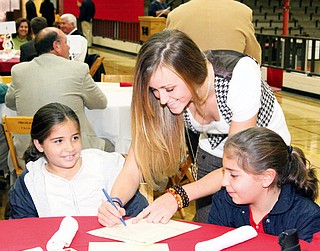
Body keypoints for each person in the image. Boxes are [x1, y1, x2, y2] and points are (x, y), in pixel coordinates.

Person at [97, 29, 291, 226]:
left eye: (170, 89)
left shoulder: (239, 74)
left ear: (191, 73)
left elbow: (237, 164)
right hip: (213, 150)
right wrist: (115, 201)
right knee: (209, 226)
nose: (163, 99)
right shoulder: (168, 94)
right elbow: (134, 165)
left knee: (260, 224)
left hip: (261, 153)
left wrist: (177, 195)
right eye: (155, 90)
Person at [9, 103, 148, 218]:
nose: (70, 147)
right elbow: (24, 228)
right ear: (39, 145)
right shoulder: (31, 182)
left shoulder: (105, 166)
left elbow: (138, 211)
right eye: (58, 141)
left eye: (75, 138)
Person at [5, 27, 113, 173]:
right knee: (111, 146)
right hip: (70, 154)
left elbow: (10, 103)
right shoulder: (78, 69)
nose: (69, 47)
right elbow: (100, 103)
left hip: (27, 153)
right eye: (66, 42)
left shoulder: (19, 71)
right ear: (56, 46)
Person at [208, 127, 320, 242]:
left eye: (233, 175)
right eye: (224, 172)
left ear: (267, 177)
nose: (223, 182)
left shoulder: (307, 217)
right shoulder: (223, 202)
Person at [166, 0, 261, 63]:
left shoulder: (175, 15)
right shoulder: (243, 11)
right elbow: (253, 57)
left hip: (189, 84)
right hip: (232, 85)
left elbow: (167, 58)